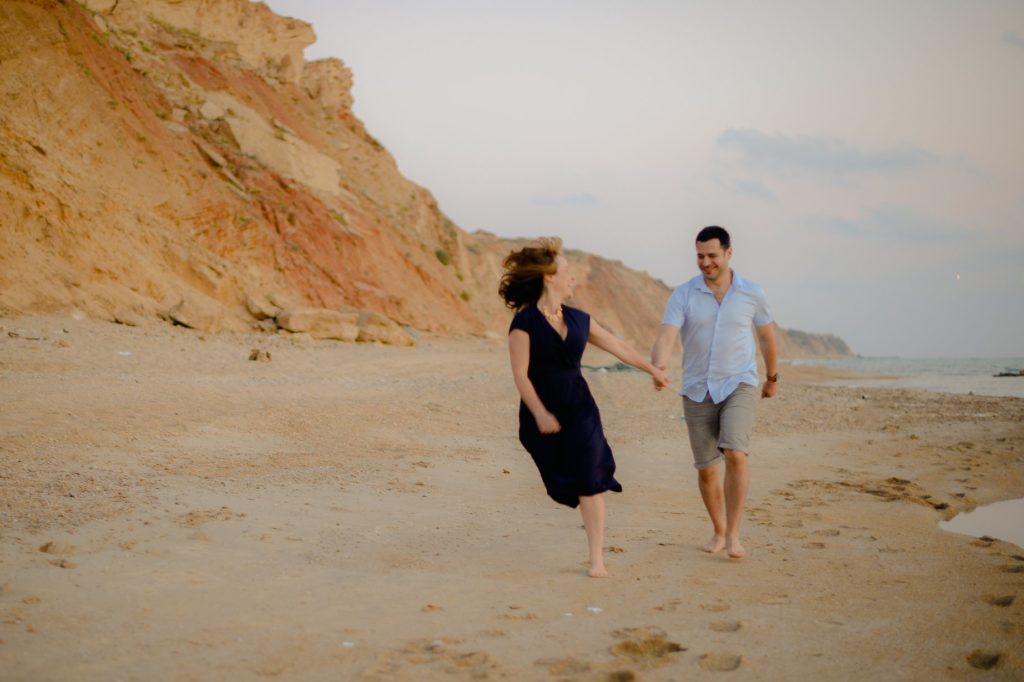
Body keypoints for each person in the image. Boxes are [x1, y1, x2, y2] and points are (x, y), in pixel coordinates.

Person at [500, 238, 670, 577]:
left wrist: (651, 369)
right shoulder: (524, 323)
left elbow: (618, 346)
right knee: (567, 482)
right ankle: (589, 534)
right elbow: (520, 375)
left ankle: (596, 560)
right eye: (568, 272)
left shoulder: (580, 320)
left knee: (592, 477)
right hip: (542, 413)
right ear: (549, 277)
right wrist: (539, 413)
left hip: (580, 408)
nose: (572, 278)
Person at [651, 226, 778, 559]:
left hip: (739, 383)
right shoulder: (684, 294)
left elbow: (766, 337)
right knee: (707, 468)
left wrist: (772, 377)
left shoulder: (752, 292)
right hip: (696, 388)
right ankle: (719, 531)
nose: (705, 262)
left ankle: (735, 534)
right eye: (700, 256)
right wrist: (658, 366)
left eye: (712, 256)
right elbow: (667, 334)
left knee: (736, 453)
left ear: (729, 253)